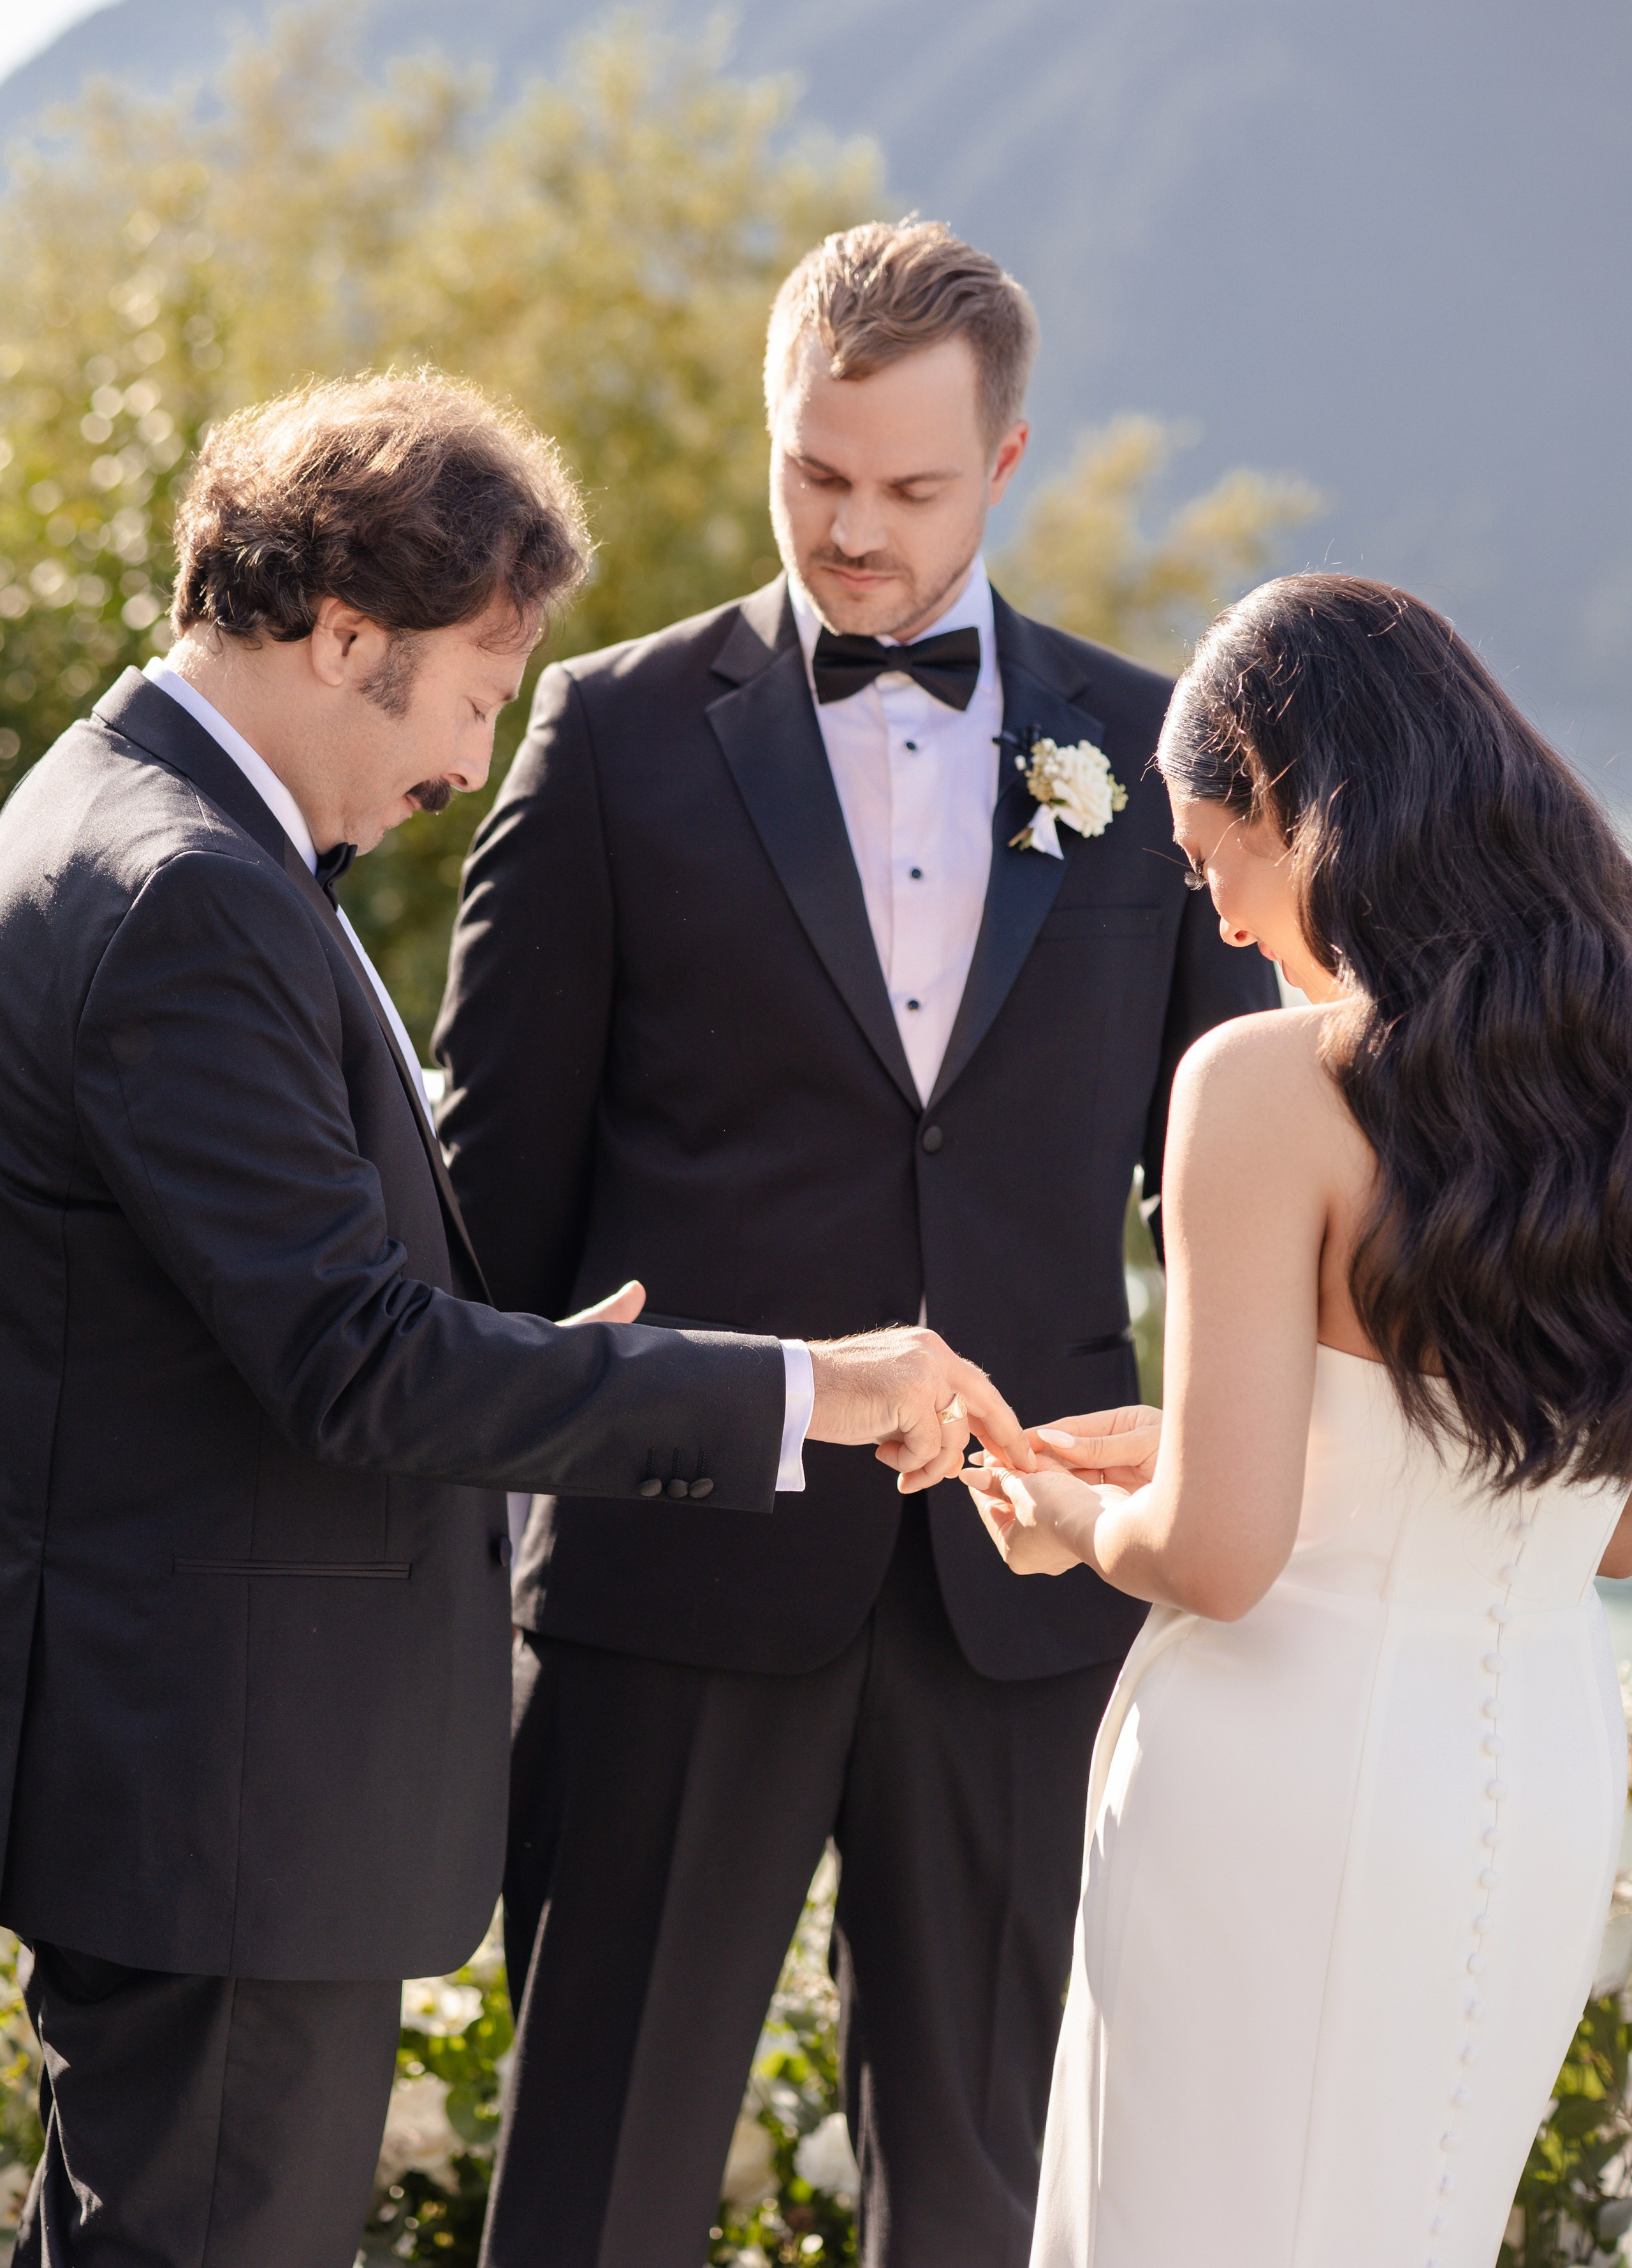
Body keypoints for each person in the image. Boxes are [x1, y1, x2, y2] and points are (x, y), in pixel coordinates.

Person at [0, 370, 1021, 2268]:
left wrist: (549, 1351)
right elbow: (353, 1363)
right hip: (232, 1804)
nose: (473, 761)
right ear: (345, 636)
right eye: (476, 696)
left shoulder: (116, 814)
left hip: (196, 1790)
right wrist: (801, 1389)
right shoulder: (191, 891)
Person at [434, 221, 1274, 2267]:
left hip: (1025, 1591)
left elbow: (1239, 1181)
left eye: (909, 486)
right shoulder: (608, 738)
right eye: (814, 474)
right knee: (597, 2192)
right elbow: (490, 1213)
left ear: (1006, 465)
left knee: (988, 2197)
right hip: (672, 1575)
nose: (853, 531)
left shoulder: (1151, 752)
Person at [969, 573, 1632, 2268]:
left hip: (1279, 1787)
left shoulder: (1267, 1087)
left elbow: (1220, 1556)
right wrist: (1240, 1447)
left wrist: (1065, 1517)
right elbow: (1601, 1517)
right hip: (1538, 1788)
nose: (1227, 926)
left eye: (1212, 865)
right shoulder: (1605, 1076)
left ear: (1290, 803)